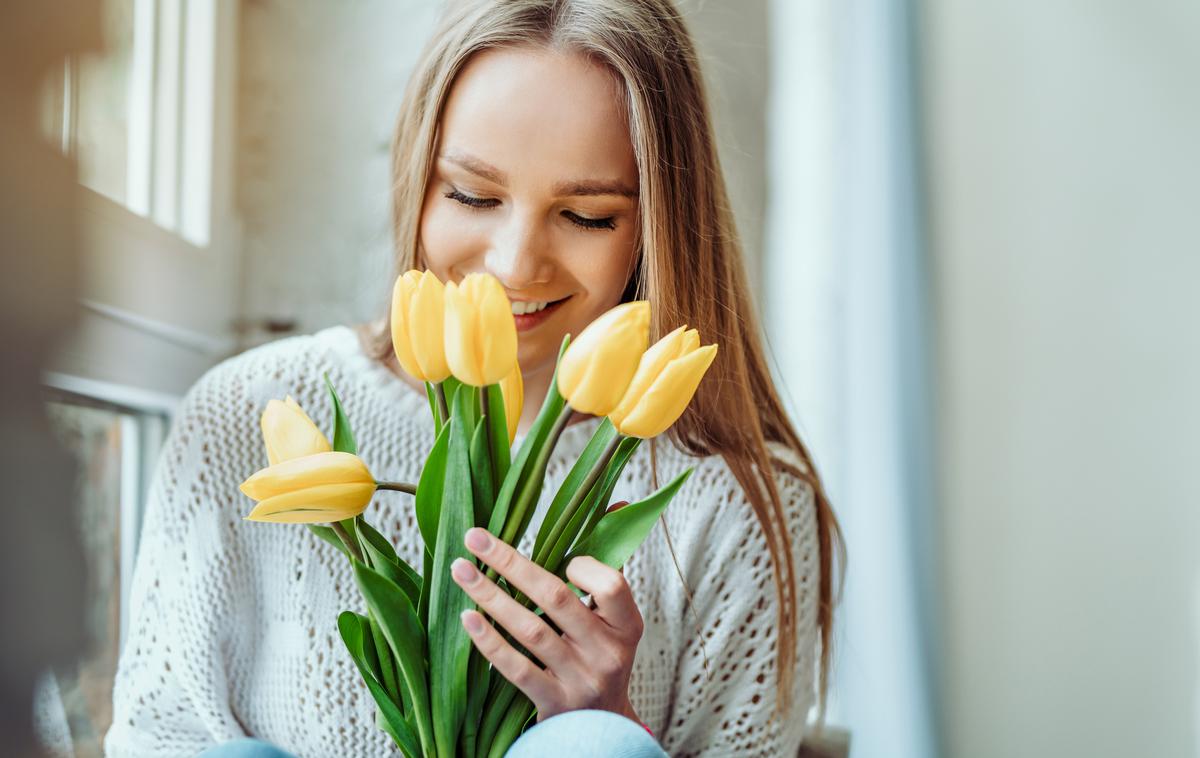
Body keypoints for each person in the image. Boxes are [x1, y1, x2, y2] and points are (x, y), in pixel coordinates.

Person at [105, 0, 843, 756]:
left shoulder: (741, 503)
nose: (515, 264)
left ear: (658, 227)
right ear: (416, 180)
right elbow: (159, 732)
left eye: (587, 215)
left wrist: (607, 719)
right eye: (472, 195)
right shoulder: (248, 414)